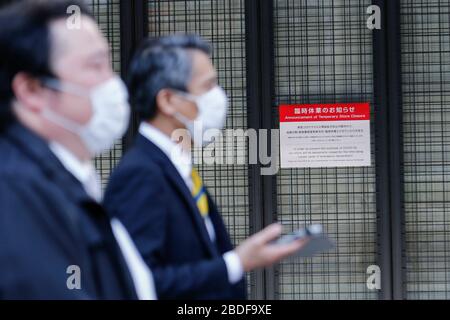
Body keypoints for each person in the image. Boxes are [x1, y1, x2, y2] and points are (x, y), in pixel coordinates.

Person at [104, 35, 307, 300]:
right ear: (167, 100)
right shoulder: (141, 173)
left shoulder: (176, 167)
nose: (218, 96)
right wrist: (235, 263)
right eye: (208, 85)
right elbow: (137, 283)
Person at [0, 0, 155, 299]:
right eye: (95, 66)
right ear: (32, 90)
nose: (112, 83)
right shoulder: (16, 190)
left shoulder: (61, 180)